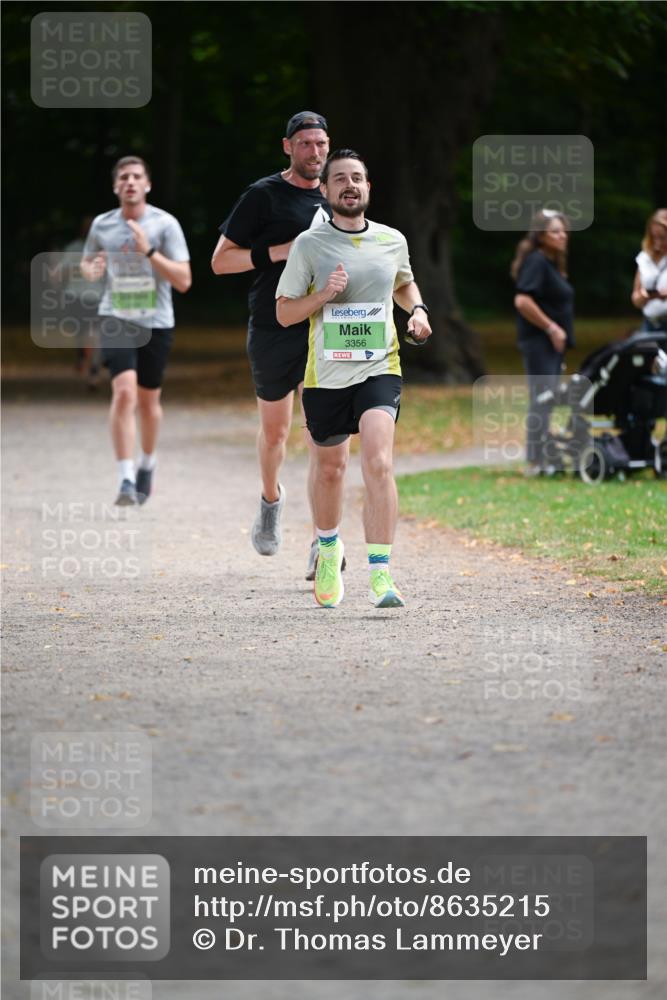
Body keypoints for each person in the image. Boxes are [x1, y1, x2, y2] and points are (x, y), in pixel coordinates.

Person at [275, 149, 432, 609]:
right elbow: (284, 312)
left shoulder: (391, 240)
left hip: (379, 366)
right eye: (339, 178)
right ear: (324, 190)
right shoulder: (310, 245)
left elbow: (402, 283)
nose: (349, 185)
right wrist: (324, 294)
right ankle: (328, 551)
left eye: (357, 178)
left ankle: (381, 575)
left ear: (368, 188)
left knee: (379, 461)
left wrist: (418, 310)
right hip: (325, 374)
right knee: (331, 468)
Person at [211, 111, 342, 580]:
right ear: (287, 147)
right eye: (305, 144)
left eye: (321, 144)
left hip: (324, 329)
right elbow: (220, 262)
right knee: (275, 434)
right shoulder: (263, 195)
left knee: (323, 439)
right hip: (272, 326)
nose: (315, 152)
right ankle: (270, 500)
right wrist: (281, 251)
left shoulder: (339, 194)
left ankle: (321, 542)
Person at [81, 156, 191, 505]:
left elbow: (184, 280)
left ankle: (147, 462)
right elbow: (88, 266)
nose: (130, 182)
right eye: (124, 177)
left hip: (156, 321)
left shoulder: (165, 224)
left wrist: (149, 252)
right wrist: (92, 270)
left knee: (148, 402)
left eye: (136, 177)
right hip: (116, 317)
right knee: (124, 393)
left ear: (147, 185)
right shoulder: (102, 225)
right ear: (116, 187)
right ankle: (126, 478)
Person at [511, 209, 574, 476]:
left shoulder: (551, 262)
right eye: (555, 231)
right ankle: (535, 462)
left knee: (546, 400)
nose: (562, 235)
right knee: (542, 399)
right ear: (540, 235)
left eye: (563, 231)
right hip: (538, 343)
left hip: (550, 346)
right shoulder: (536, 261)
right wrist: (551, 329)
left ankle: (545, 457)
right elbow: (522, 300)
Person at [631, 208, 667, 332]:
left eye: (662, 238)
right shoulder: (644, 258)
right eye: (654, 237)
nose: (658, 243)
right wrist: (642, 297)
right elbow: (635, 298)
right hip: (649, 324)